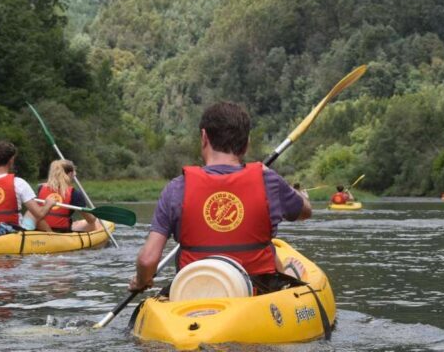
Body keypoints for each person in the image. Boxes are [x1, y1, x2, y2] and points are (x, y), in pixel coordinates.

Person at [129, 102, 311, 295]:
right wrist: (299, 194)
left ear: (204, 137)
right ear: (247, 143)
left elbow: (147, 260)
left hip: (194, 297)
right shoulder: (269, 181)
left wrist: (142, 280)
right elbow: (305, 212)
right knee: (273, 254)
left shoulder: (176, 188)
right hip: (257, 297)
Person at [36, 160, 103, 233]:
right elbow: (91, 220)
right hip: (61, 233)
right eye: (74, 172)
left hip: (40, 231)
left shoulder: (40, 188)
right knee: (93, 223)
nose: (75, 174)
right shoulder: (74, 193)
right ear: (70, 174)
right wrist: (94, 214)